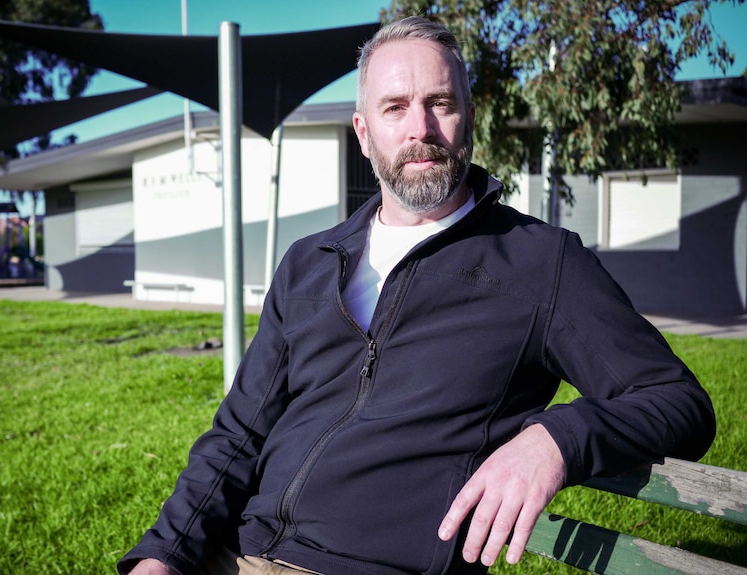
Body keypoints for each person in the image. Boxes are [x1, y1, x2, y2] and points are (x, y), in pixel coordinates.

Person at [119, 16, 715, 575]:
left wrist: (556, 440)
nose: (420, 129)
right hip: (237, 554)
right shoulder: (309, 261)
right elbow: (239, 434)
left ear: (470, 118)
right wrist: (164, 554)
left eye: (441, 103)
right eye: (395, 107)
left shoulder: (540, 261)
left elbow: (676, 400)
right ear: (363, 131)